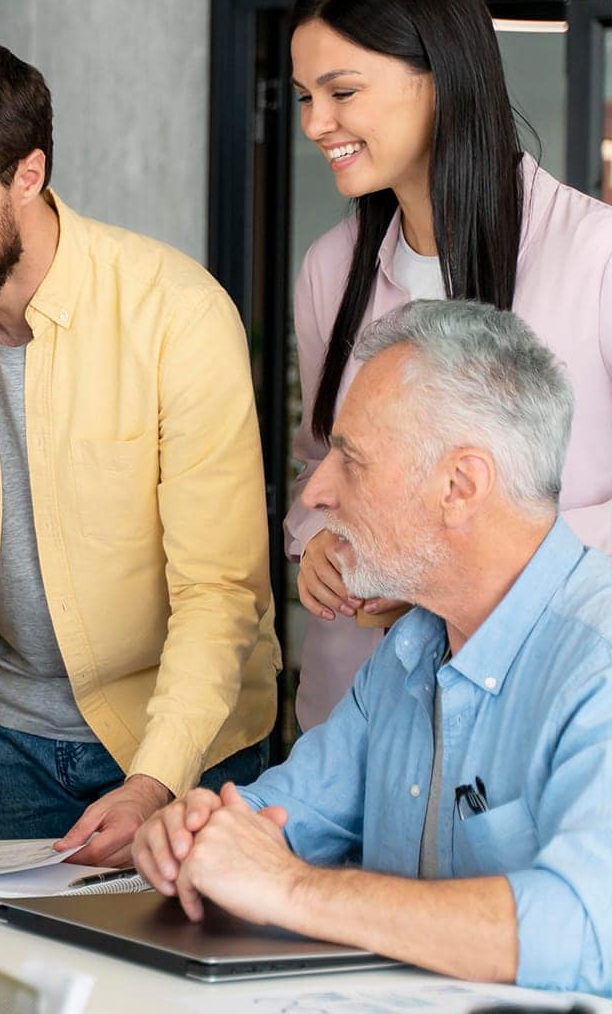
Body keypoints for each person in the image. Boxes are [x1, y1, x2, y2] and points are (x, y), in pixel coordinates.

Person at [0, 31, 280, 863]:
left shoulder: (176, 314)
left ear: (27, 175)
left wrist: (157, 779)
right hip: (10, 744)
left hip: (188, 739)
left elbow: (219, 589)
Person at [132, 300, 612, 995]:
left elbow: (590, 928)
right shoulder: (410, 648)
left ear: (460, 485)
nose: (317, 492)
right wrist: (195, 832)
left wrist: (293, 889)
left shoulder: (597, 660)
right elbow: (275, 821)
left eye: (350, 461)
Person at [284, 0, 612, 729]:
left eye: (342, 91)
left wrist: (456, 562)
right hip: (361, 717)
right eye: (303, 97)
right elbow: (322, 466)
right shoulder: (331, 271)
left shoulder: (595, 255)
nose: (315, 124)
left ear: (439, 76)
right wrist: (322, 547)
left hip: (549, 711)